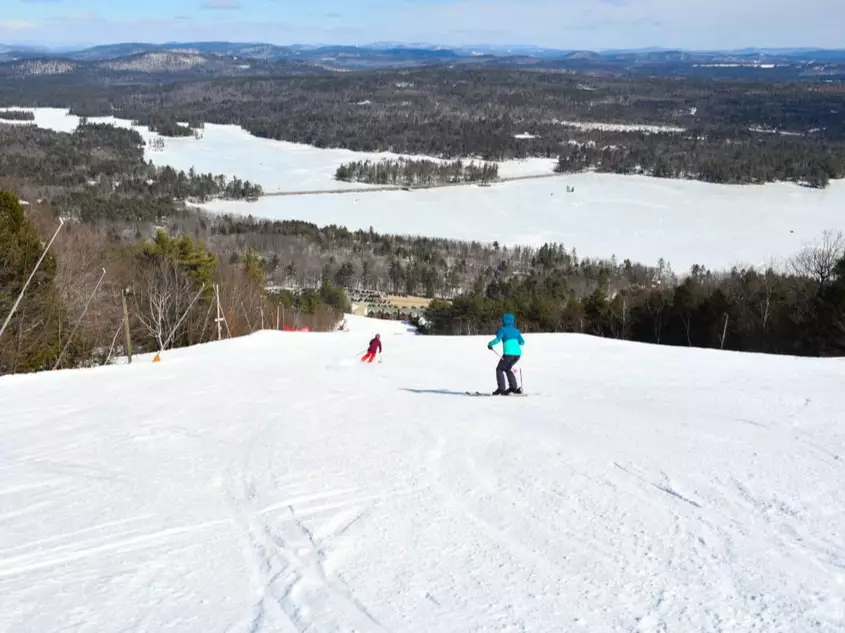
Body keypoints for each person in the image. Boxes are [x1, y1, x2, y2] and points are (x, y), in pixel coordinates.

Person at [487, 312, 524, 395]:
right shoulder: (516, 331)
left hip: (508, 354)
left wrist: (490, 344)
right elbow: (522, 342)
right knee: (507, 368)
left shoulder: (502, 330)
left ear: (504, 321)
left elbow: (497, 340)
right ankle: (513, 388)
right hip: (517, 354)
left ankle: (501, 388)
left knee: (499, 369)